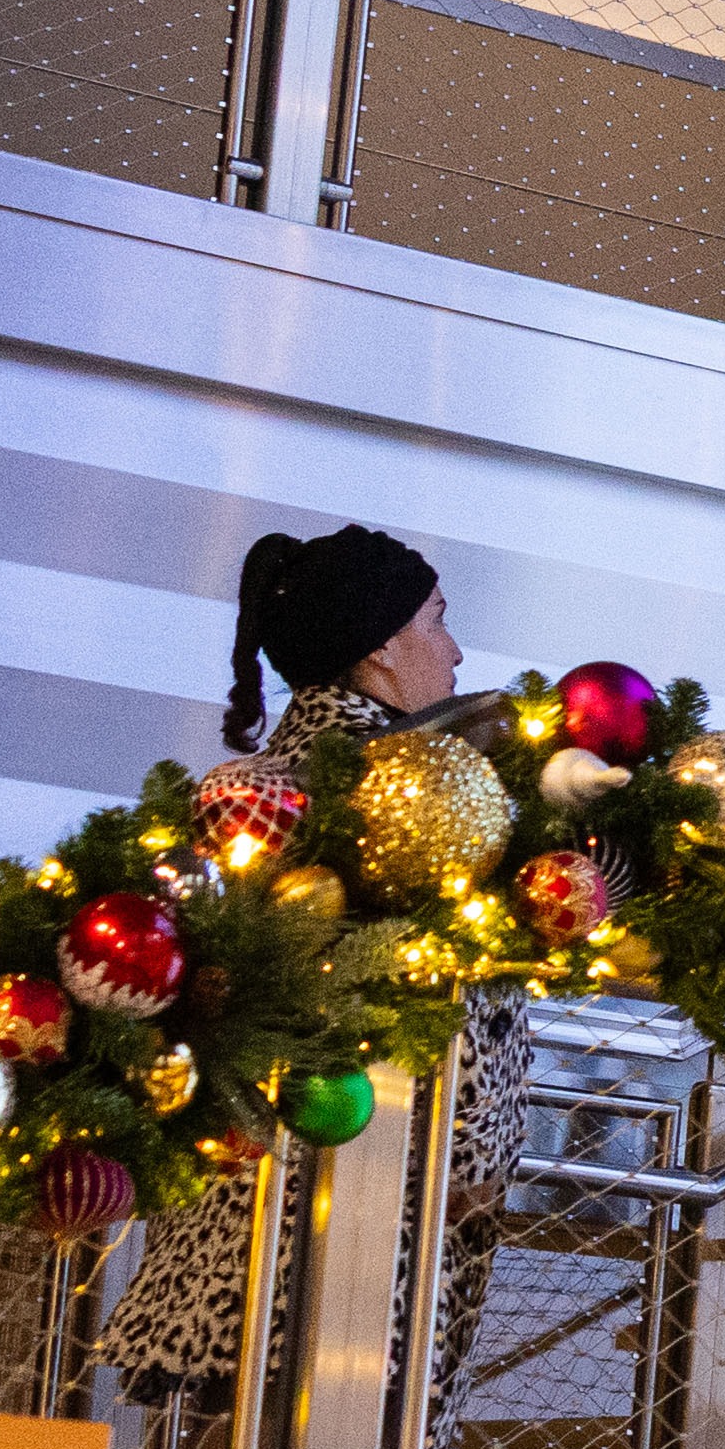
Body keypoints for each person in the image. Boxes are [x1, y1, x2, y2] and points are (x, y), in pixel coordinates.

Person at [110, 525, 462, 1399]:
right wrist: (479, 1163)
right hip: (354, 1212)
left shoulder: (249, 793)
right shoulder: (427, 800)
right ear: (380, 648)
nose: (456, 652)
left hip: (240, 1201)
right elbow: (461, 1012)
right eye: (438, 622)